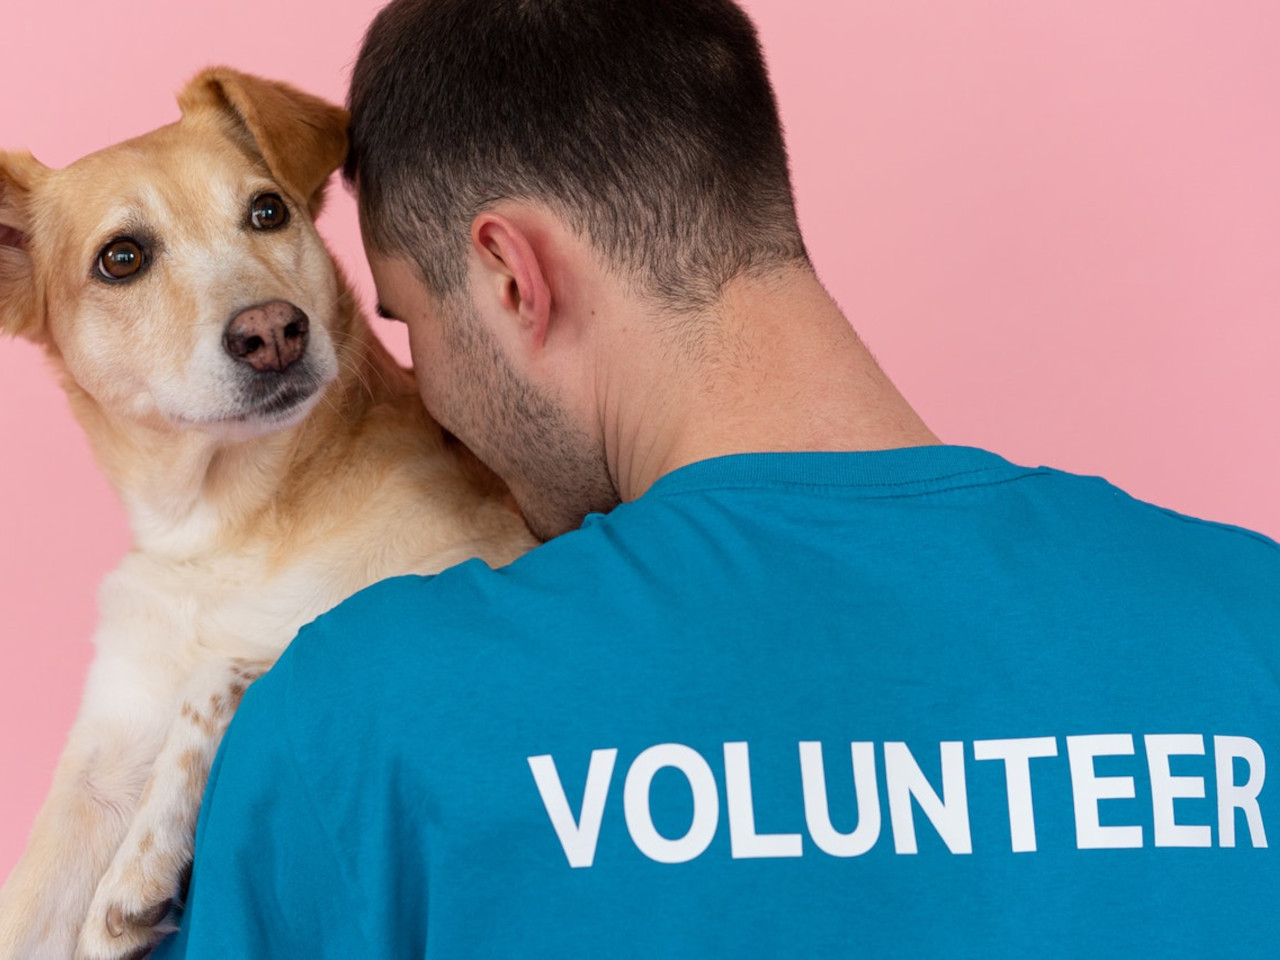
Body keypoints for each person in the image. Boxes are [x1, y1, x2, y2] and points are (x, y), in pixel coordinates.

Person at [155, 0, 1280, 955]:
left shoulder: (354, 724)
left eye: (408, 322)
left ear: (508, 274)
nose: (420, 394)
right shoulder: (1249, 623)